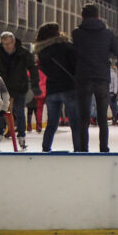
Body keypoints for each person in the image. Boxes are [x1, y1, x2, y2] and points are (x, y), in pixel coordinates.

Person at [72, 4, 118, 153]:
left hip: (83, 78)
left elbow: (73, 56)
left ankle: (83, 149)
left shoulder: (77, 34)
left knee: (84, 118)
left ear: (82, 17)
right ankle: (103, 148)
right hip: (102, 79)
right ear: (98, 16)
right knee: (103, 118)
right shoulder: (107, 34)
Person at [33, 22, 81, 153]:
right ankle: (78, 149)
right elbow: (76, 64)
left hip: (52, 90)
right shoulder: (66, 47)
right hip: (69, 88)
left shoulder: (41, 53)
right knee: (75, 123)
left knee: (52, 123)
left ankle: (45, 147)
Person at [0, 31, 41, 149]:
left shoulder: (24, 53)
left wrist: (35, 85)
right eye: (4, 44)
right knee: (1, 113)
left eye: (9, 43)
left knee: (19, 112)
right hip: (2, 88)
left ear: (14, 41)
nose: (7, 46)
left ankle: (21, 136)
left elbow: (33, 68)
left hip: (19, 87)